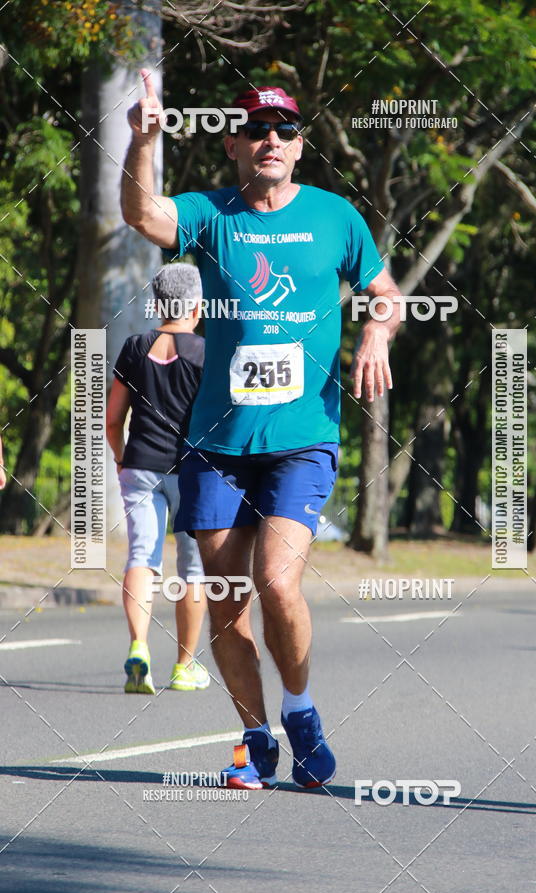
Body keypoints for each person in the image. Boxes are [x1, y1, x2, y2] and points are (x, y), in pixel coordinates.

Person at [121, 73, 401, 788]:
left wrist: (377, 334)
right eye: (256, 130)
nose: (269, 140)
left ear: (300, 147)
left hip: (303, 437)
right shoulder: (211, 214)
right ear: (234, 145)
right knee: (224, 598)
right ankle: (254, 735)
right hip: (215, 446)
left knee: (278, 582)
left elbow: (386, 295)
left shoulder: (338, 218)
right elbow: (142, 215)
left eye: (283, 130)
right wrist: (143, 140)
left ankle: (300, 711)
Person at [106, 263, 210, 695]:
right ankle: (184, 666)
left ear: (157, 303)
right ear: (198, 306)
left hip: (140, 465)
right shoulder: (206, 353)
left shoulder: (134, 347)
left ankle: (139, 648)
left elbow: (113, 420)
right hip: (192, 471)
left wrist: (121, 459)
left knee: (141, 558)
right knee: (193, 568)